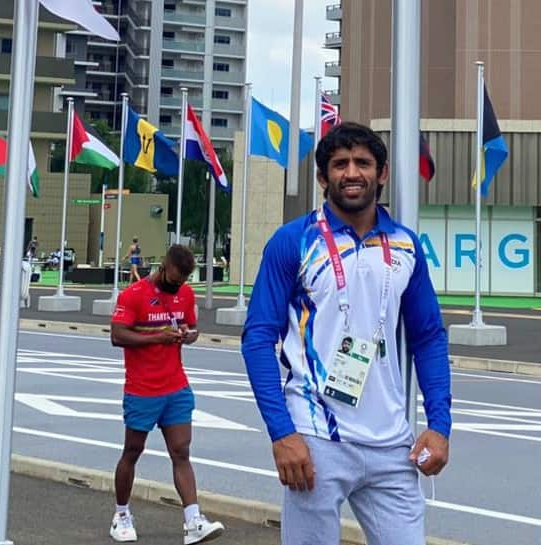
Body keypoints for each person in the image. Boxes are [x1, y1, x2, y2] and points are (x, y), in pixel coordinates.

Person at [241, 122, 452, 545]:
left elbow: (428, 338)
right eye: (340, 164)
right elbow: (258, 338)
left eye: (363, 163)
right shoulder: (293, 241)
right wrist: (282, 433)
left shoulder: (407, 246)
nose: (351, 173)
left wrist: (440, 425)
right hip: (316, 439)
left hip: (392, 444)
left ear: (383, 173)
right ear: (323, 178)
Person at [109, 245, 225, 544]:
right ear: (163, 267)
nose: (178, 285)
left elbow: (194, 327)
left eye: (184, 280)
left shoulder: (185, 294)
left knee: (181, 451)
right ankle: (121, 514)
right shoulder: (134, 294)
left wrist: (189, 335)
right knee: (133, 451)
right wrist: (157, 337)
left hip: (176, 386)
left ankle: (193, 520)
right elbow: (117, 335)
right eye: (174, 279)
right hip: (142, 388)